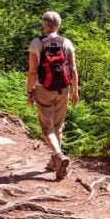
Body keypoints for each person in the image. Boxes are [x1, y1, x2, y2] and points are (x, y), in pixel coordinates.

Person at [27, 11, 79, 180]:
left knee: (47, 128)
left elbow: (32, 71)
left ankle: (58, 155)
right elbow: (73, 69)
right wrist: (75, 90)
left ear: (44, 24)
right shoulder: (67, 43)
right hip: (63, 89)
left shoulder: (37, 43)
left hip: (43, 89)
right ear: (59, 24)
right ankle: (54, 163)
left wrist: (29, 92)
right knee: (58, 126)